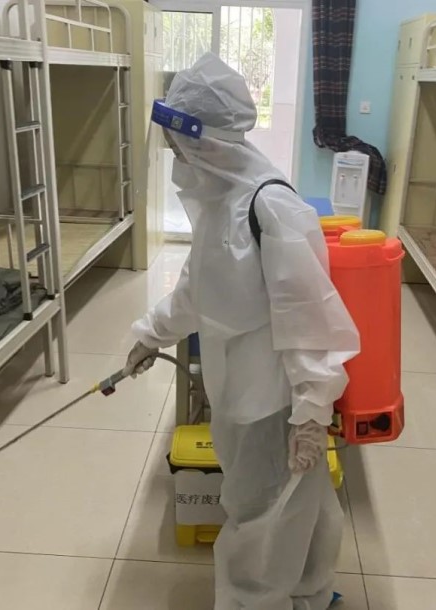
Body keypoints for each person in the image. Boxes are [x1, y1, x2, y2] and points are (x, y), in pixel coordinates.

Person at [124, 53, 360, 610]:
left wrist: (311, 410)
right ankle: (308, 592)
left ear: (201, 136)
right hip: (237, 390)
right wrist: (151, 334)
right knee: (295, 503)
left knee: (262, 516)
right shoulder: (219, 201)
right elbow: (196, 290)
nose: (171, 151)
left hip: (274, 402)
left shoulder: (270, 206)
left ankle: (262, 602)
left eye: (175, 138)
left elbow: (310, 319)